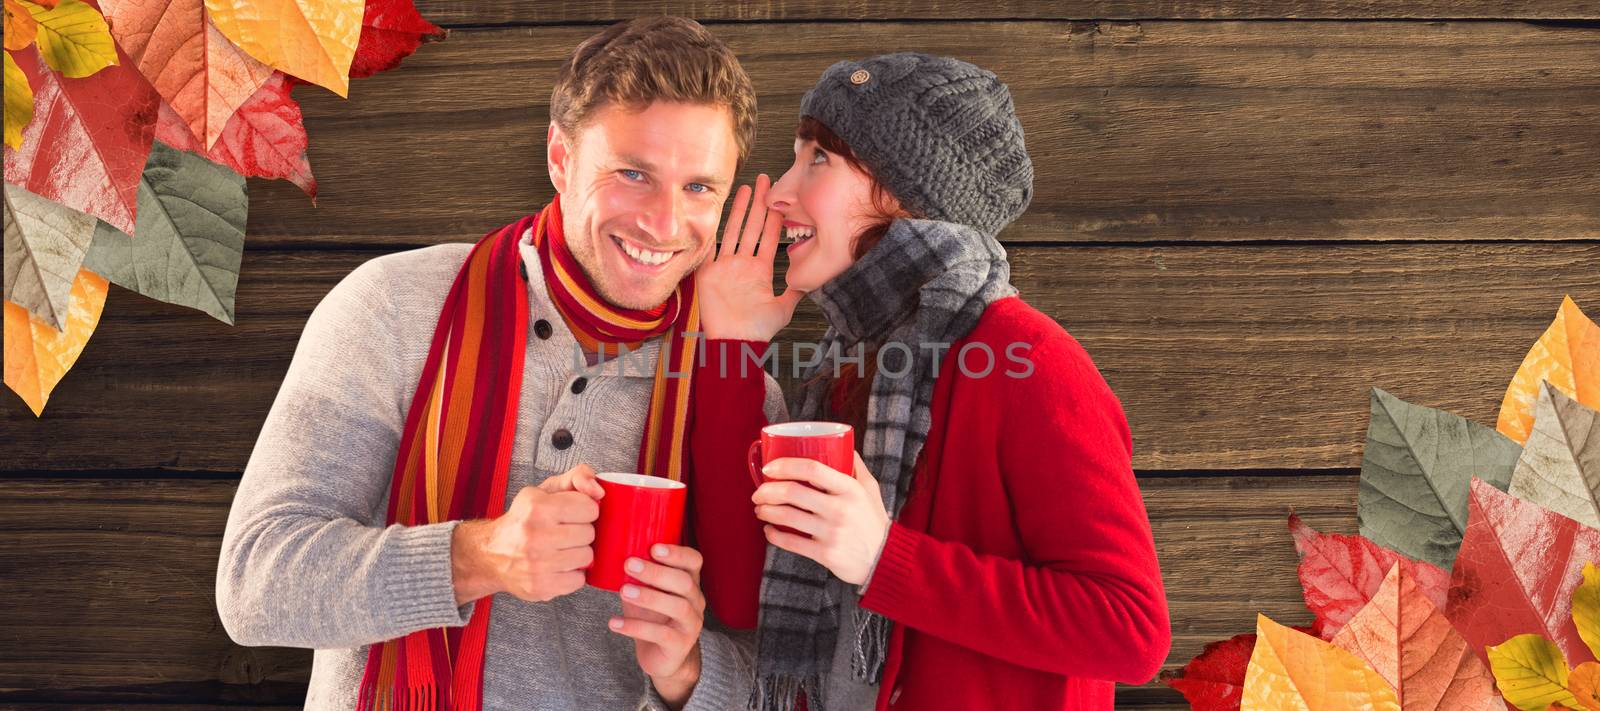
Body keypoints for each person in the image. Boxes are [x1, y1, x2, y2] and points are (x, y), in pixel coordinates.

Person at [215, 16, 782, 711]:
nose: (665, 224)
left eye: (699, 188)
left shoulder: (739, 396)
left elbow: (785, 681)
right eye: (633, 174)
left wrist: (690, 672)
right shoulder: (393, 308)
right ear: (560, 158)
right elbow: (254, 588)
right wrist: (476, 557)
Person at [693, 52, 1172, 710]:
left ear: (908, 194)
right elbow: (742, 594)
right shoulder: (845, 360)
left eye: (819, 159)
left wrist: (885, 558)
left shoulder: (1029, 360)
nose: (780, 190)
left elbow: (1131, 630)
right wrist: (731, 353)